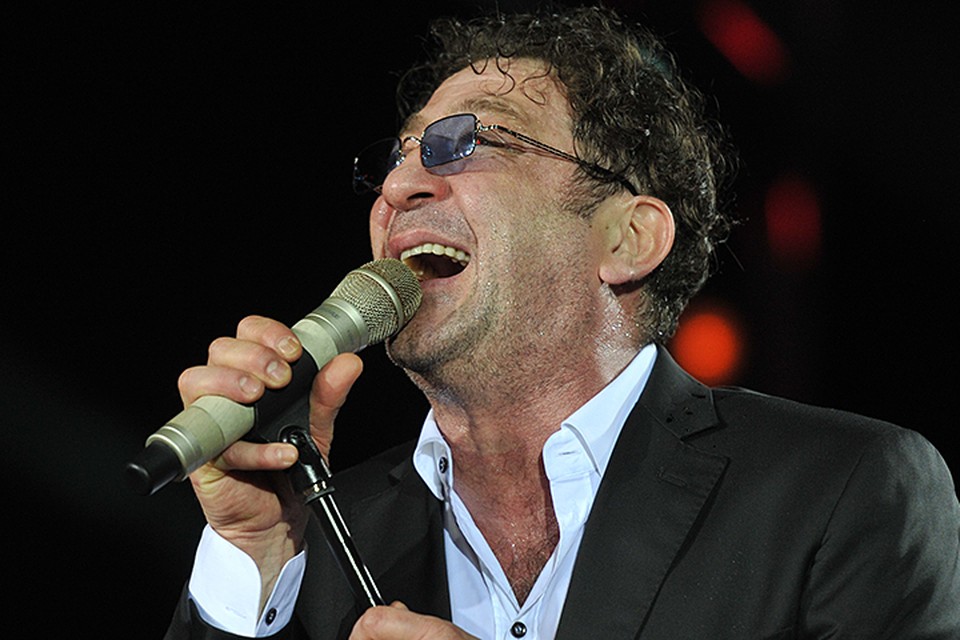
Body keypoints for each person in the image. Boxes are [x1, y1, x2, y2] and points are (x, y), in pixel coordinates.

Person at [163, 6, 960, 639]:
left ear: (628, 238)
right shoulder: (317, 532)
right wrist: (252, 554)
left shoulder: (837, 489)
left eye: (464, 142)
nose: (398, 186)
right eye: (397, 157)